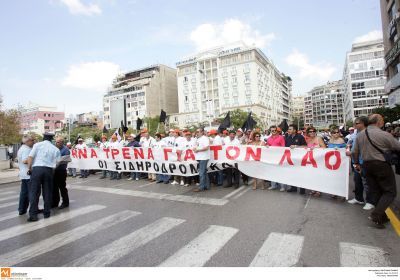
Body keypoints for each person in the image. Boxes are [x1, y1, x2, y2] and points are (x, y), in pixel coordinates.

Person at [352, 114, 400, 228]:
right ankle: (376, 214)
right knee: (390, 192)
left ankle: (382, 218)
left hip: (366, 165)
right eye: (382, 120)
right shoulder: (383, 134)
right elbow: (397, 147)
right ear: (379, 122)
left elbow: (354, 152)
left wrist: (356, 163)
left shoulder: (360, 135)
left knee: (377, 191)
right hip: (381, 165)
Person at [27, 132, 60, 222]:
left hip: (37, 169)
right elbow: (57, 163)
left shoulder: (37, 145)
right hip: (49, 170)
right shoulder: (55, 149)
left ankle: (33, 215)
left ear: (43, 138)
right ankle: (46, 213)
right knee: (47, 192)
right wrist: (52, 170)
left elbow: (30, 157)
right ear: (51, 139)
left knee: (34, 192)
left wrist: (29, 168)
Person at [347, 116, 374, 209]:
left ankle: (370, 201)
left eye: (357, 123)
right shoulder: (355, 134)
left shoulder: (368, 133)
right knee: (357, 181)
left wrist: (351, 152)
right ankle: (359, 198)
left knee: (366, 182)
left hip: (365, 162)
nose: (354, 125)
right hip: (356, 162)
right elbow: (353, 146)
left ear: (363, 123)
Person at [284, 124, 307, 194]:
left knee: (300, 174)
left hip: (300, 159)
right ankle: (293, 188)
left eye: (290, 129)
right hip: (291, 159)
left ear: (295, 130)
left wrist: (296, 146)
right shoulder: (288, 137)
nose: (289, 130)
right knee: (292, 173)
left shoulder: (300, 137)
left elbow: (305, 146)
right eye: (288, 129)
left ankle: (302, 189)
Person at [305, 126, 326, 197]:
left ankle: (318, 191)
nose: (312, 133)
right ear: (308, 133)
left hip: (318, 161)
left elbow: (324, 148)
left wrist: (316, 148)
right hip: (311, 160)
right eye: (310, 131)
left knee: (318, 176)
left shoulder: (319, 138)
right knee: (312, 175)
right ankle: (313, 189)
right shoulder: (308, 140)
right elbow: (306, 148)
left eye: (313, 131)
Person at [17, 135, 35, 215]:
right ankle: (33, 210)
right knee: (31, 193)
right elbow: (25, 161)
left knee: (24, 193)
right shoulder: (26, 149)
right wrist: (34, 160)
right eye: (32, 140)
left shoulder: (22, 148)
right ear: (27, 141)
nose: (33, 141)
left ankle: (22, 209)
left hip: (24, 174)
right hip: (28, 174)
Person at [52, 136, 70, 209]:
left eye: (58, 142)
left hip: (61, 171)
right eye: (56, 142)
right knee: (55, 188)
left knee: (62, 187)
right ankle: (55, 202)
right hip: (55, 171)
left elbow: (64, 160)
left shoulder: (65, 150)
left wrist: (56, 162)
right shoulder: (55, 149)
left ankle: (65, 202)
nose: (56, 143)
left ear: (62, 142)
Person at [266, 126, 285, 191]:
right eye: (272, 131)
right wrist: (267, 146)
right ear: (270, 131)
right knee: (272, 171)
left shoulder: (281, 138)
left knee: (280, 172)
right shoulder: (268, 139)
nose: (273, 132)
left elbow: (283, 147)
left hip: (279, 157)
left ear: (277, 131)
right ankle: (273, 185)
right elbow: (267, 147)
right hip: (271, 158)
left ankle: (282, 186)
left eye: (274, 130)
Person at [193, 127, 210, 192]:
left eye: (198, 132)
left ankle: (201, 187)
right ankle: (207, 186)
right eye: (196, 132)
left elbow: (206, 148)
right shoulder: (198, 139)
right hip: (200, 157)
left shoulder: (205, 138)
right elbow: (197, 146)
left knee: (201, 173)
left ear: (202, 132)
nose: (197, 133)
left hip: (204, 157)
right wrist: (195, 149)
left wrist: (198, 150)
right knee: (204, 172)